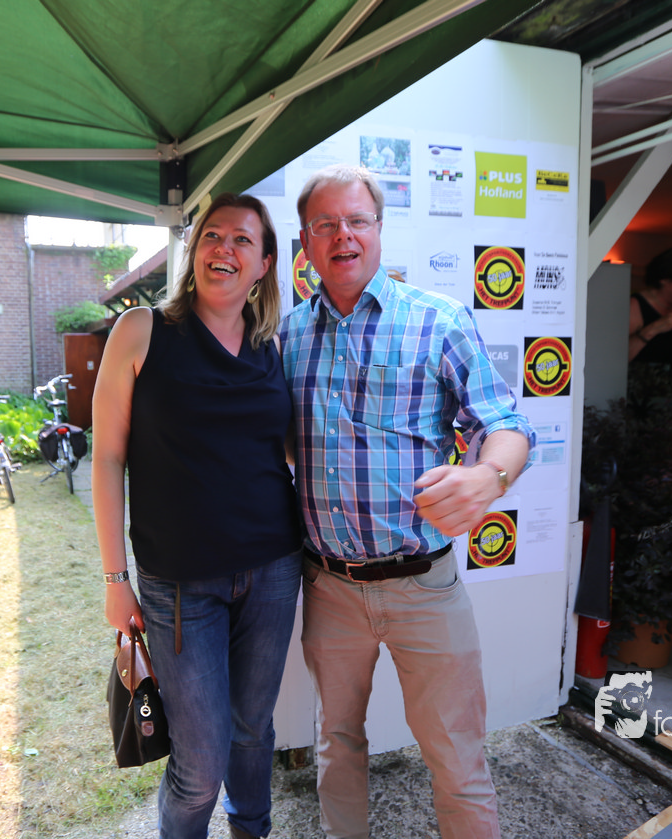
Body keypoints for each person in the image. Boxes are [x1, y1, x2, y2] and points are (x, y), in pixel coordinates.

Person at [280, 164, 533, 839]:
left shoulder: (437, 319)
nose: (343, 235)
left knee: (457, 757)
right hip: (329, 586)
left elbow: (507, 425)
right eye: (325, 224)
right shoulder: (287, 336)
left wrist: (490, 477)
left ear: (379, 229)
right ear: (305, 240)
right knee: (336, 743)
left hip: (425, 585)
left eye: (357, 221)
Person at [92, 193, 303, 839]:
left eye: (243, 240)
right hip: (180, 585)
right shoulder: (142, 330)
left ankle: (251, 829)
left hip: (273, 570)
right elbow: (107, 458)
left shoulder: (274, 346)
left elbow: (287, 450)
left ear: (264, 263)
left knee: (253, 731)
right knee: (200, 764)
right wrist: (114, 579)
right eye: (213, 235)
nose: (225, 249)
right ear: (194, 249)